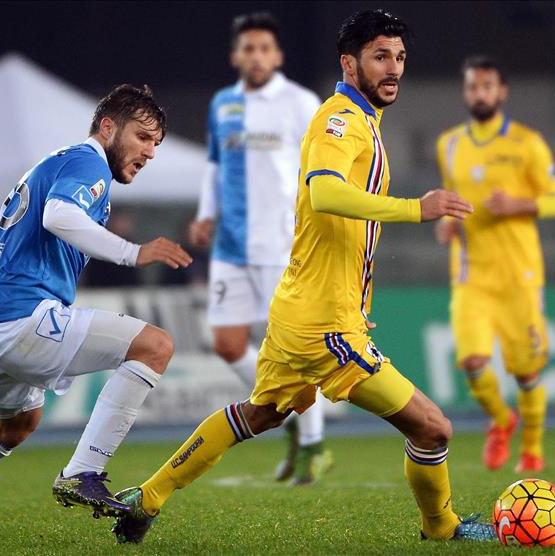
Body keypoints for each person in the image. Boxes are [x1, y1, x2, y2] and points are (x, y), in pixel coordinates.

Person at [112, 10, 496, 545]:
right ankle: (443, 527)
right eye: (381, 56)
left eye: (400, 58)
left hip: (306, 309)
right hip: (323, 323)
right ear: (350, 63)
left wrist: (353, 300)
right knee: (433, 428)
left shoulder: (361, 122)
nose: (394, 69)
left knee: (261, 413)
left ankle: (147, 497)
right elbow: (325, 192)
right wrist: (416, 208)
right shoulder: (340, 120)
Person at [0, 84, 193, 544]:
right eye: (142, 137)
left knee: (15, 426)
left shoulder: (49, 166)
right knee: (156, 345)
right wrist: (132, 253)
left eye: (156, 143)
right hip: (24, 319)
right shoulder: (87, 161)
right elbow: (58, 216)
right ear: (108, 127)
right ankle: (84, 470)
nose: (150, 152)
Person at [188, 12, 330, 485]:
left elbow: (321, 171)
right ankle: (284, 406)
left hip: (282, 246)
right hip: (230, 246)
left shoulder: (301, 102)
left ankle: (312, 445)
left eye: (264, 48)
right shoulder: (223, 103)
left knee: (295, 349)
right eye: (247, 48)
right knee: (227, 344)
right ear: (236, 56)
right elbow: (214, 166)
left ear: (278, 55)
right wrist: (206, 213)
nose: (256, 56)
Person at [434, 56, 555, 473]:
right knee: (473, 362)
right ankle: (501, 420)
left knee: (527, 373)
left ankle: (531, 451)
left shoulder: (527, 143)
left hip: (519, 276)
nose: (479, 93)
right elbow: (452, 200)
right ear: (465, 92)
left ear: (502, 91)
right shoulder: (450, 144)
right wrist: (446, 223)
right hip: (471, 275)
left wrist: (517, 204)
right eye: (473, 87)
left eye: (487, 86)